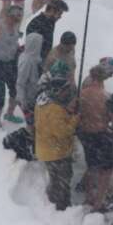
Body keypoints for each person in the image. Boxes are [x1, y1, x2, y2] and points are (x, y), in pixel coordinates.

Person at [34, 60, 79, 211]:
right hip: (57, 153)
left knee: (55, 181)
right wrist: (74, 119)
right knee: (62, 183)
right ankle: (62, 209)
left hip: (45, 149)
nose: (67, 93)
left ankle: (54, 205)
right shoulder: (54, 109)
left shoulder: (42, 102)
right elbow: (63, 133)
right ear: (58, 91)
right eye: (65, 90)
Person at [78, 62, 113, 212]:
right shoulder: (104, 96)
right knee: (107, 168)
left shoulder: (82, 93)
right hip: (100, 134)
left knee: (91, 166)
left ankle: (89, 196)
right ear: (102, 79)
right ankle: (99, 202)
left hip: (85, 134)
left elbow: (74, 111)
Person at [15, 32, 44, 126]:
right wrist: (23, 104)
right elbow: (20, 83)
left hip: (33, 97)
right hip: (27, 100)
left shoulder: (34, 58)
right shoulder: (26, 61)